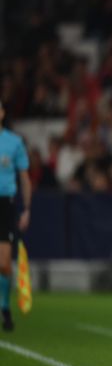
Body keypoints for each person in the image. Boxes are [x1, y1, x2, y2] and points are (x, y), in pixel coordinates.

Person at [0, 100, 32, 332]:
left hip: (6, 205)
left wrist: (27, 208)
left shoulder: (14, 142)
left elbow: (24, 177)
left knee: (4, 264)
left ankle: (5, 307)